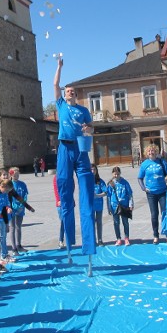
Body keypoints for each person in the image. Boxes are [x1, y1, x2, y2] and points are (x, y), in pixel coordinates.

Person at [53, 58, 96, 257]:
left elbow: (91, 128)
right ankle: (69, 240)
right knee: (65, 189)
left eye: (72, 91)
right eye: (67, 90)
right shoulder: (61, 105)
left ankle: (89, 244)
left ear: (76, 95)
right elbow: (55, 84)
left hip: (80, 148)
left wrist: (89, 128)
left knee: (86, 191)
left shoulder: (83, 110)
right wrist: (59, 67)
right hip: (64, 147)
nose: (69, 92)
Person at [137, 144, 167, 244]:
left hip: (162, 192)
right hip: (151, 193)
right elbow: (139, 178)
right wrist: (144, 188)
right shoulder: (144, 164)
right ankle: (155, 235)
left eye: (153, 151)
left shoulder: (161, 162)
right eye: (149, 151)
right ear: (146, 153)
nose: (151, 152)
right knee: (154, 214)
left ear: (156, 152)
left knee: (165, 212)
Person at [9, 167, 35, 255]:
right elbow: (9, 197)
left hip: (20, 208)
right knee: (12, 228)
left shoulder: (22, 184)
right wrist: (13, 206)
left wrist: (22, 205)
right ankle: (13, 248)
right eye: (15, 174)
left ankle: (19, 245)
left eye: (18, 174)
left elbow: (24, 196)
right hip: (12, 209)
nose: (16, 176)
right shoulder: (9, 184)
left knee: (18, 227)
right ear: (11, 175)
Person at [106, 167, 134, 246]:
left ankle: (126, 238)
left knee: (125, 222)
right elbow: (108, 196)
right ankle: (118, 238)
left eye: (118, 174)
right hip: (114, 206)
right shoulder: (111, 184)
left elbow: (130, 194)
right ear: (112, 174)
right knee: (116, 223)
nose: (116, 175)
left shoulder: (125, 182)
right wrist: (109, 207)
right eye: (115, 174)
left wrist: (131, 204)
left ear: (120, 174)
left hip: (124, 206)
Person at [91, 164, 107, 246]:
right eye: (91, 169)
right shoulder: (87, 181)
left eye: (94, 169)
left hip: (99, 205)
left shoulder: (100, 181)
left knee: (99, 222)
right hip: (90, 206)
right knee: (92, 223)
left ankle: (100, 239)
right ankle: (92, 240)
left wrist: (97, 196)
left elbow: (105, 192)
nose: (93, 171)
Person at [52, 175, 67, 249]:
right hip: (60, 203)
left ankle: (68, 240)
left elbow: (71, 187)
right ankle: (61, 240)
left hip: (68, 202)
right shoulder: (56, 177)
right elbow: (56, 189)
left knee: (67, 221)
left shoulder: (67, 174)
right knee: (63, 221)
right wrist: (58, 200)